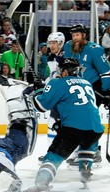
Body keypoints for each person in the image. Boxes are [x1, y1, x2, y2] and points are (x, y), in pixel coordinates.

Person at [25, 58, 104, 192]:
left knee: (53, 156)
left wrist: (39, 91)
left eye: (61, 70)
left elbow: (41, 106)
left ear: (66, 71)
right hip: (96, 129)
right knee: (86, 145)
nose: (60, 72)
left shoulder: (58, 82)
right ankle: (85, 171)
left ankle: (41, 184)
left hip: (74, 128)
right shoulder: (87, 83)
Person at [63, 24, 110, 168]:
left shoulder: (95, 50)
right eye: (73, 36)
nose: (75, 38)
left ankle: (94, 151)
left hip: (92, 89)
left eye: (77, 35)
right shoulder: (68, 47)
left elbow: (106, 72)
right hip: (74, 87)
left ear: (84, 35)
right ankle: (79, 148)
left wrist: (106, 92)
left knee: (88, 120)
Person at [37, 32, 65, 163]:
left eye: (54, 43)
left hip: (66, 97)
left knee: (70, 127)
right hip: (58, 97)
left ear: (60, 43)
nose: (52, 45)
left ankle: (81, 153)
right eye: (50, 43)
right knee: (51, 123)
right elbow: (53, 76)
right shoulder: (51, 58)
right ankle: (51, 153)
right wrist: (45, 82)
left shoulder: (66, 57)